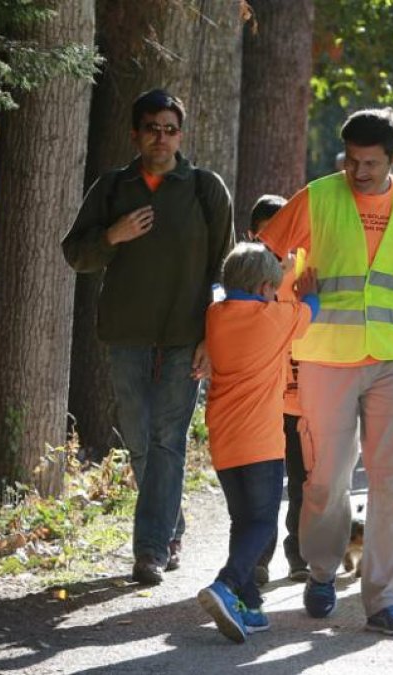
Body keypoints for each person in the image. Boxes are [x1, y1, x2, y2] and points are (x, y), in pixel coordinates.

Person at [257, 107, 393, 639]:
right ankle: (320, 570)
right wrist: (274, 311)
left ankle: (385, 600)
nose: (358, 171)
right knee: (325, 477)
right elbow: (263, 255)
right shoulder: (317, 196)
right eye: (351, 160)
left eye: (369, 163)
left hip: (392, 359)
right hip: (325, 357)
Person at [62, 89, 234, 584]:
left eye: (170, 128)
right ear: (135, 134)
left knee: (167, 439)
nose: (161, 137)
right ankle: (171, 522)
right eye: (152, 127)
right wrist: (112, 235)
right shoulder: (114, 187)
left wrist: (214, 332)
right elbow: (76, 254)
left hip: (187, 336)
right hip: (127, 335)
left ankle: (151, 549)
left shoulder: (205, 187)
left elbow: (224, 268)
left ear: (182, 134)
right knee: (140, 439)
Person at [197, 243, 317, 642]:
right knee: (263, 522)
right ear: (267, 287)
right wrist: (304, 284)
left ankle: (250, 605)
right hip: (261, 438)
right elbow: (312, 307)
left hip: (224, 437)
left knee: (242, 520)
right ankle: (227, 585)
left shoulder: (215, 315)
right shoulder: (275, 318)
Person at [243, 195, 312, 586]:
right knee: (264, 483)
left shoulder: (305, 270)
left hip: (302, 395)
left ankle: (299, 553)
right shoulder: (244, 276)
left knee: (303, 482)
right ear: (255, 234)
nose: (280, 245)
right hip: (263, 398)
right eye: (271, 234)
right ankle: (258, 559)